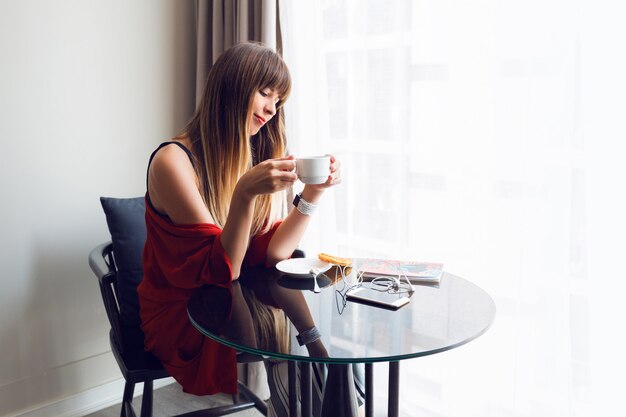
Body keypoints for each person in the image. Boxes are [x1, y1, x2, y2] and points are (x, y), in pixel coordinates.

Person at [137, 42, 344, 414]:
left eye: (278, 100)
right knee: (266, 321)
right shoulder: (173, 161)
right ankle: (306, 396)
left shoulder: (247, 151)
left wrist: (312, 193)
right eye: (264, 93)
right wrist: (245, 194)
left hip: (230, 292)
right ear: (231, 87)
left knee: (286, 291)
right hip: (183, 310)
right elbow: (224, 269)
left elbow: (274, 251)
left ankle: (312, 376)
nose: (270, 109)